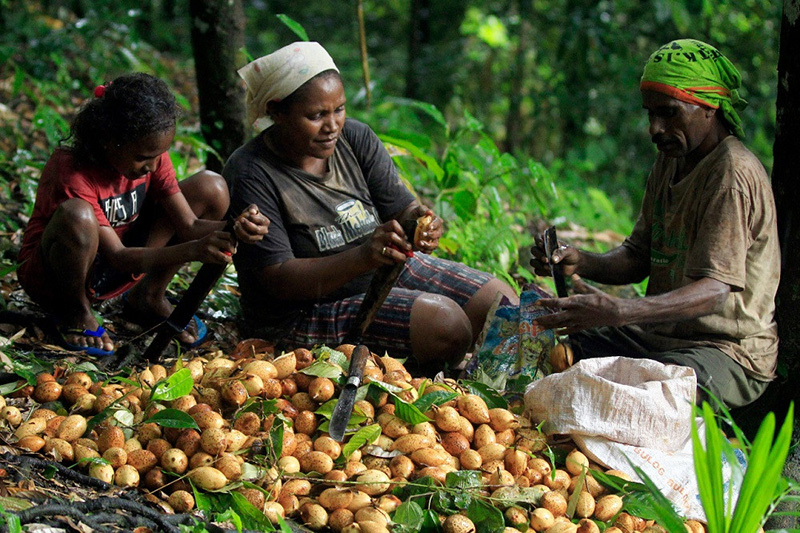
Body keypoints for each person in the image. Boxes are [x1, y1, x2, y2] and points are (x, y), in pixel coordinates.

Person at [223, 42, 518, 373]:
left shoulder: (354, 138)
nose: (332, 125)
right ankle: (418, 372)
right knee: (446, 327)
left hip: (380, 273)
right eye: (316, 115)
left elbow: (403, 209)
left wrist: (422, 222)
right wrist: (363, 256)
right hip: (301, 313)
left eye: (339, 109)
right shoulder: (251, 170)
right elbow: (280, 281)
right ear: (276, 111)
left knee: (503, 305)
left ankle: (489, 382)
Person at [531, 39, 779, 409]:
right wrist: (582, 261)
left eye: (668, 113)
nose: (654, 129)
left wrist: (620, 311)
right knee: (552, 347)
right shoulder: (671, 161)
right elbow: (638, 255)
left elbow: (714, 291)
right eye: (650, 114)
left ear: (709, 108)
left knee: (648, 397)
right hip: (658, 335)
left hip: (725, 351)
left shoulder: (731, 176)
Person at [18, 73, 269, 356]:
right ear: (107, 140)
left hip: (120, 265)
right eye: (142, 157)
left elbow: (188, 225)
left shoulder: (152, 157)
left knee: (211, 187)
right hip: (62, 274)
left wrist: (236, 227)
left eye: (158, 155)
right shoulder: (71, 173)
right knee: (78, 215)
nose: (151, 166)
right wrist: (195, 250)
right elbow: (118, 257)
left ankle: (148, 295)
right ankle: (76, 312)